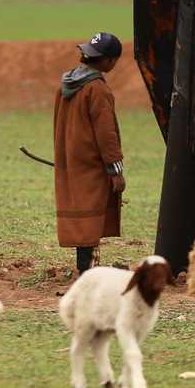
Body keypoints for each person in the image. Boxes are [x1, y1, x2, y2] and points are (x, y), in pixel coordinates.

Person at [53, 32, 126, 276]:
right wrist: (116, 171)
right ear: (109, 61)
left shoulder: (66, 85)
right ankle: (88, 274)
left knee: (82, 216)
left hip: (70, 160)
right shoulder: (97, 90)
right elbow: (107, 135)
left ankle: (84, 269)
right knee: (91, 220)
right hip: (92, 165)